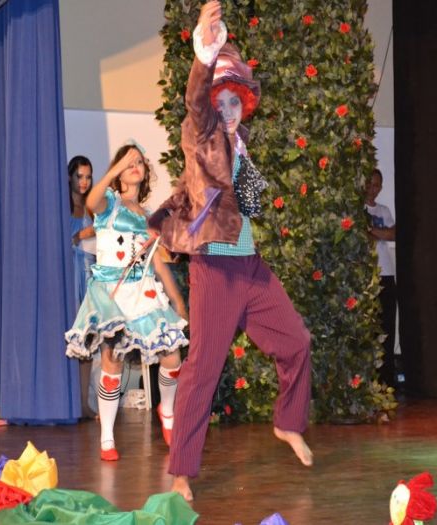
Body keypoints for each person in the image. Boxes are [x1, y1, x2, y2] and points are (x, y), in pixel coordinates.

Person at [148, 1, 313, 501]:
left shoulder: (241, 145)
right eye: (220, 100)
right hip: (216, 267)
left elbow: (250, 206)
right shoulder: (202, 135)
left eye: (234, 101)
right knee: (203, 369)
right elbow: (196, 101)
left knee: (296, 342)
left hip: (251, 268)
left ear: (244, 104)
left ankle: (287, 423)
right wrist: (206, 50)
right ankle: (181, 473)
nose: (227, 108)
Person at [65, 142, 188, 461]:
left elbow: (157, 262)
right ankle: (107, 437)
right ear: (118, 171)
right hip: (111, 291)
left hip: (142, 291)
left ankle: (168, 411)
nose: (134, 166)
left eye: (139, 163)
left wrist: (177, 299)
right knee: (112, 357)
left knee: (172, 355)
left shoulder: (148, 217)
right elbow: (90, 201)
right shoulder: (108, 201)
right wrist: (116, 168)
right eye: (128, 162)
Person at [68, 155, 98, 419]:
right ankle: (64, 402)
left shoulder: (93, 207)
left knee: (87, 340)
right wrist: (78, 236)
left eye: (88, 176)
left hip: (89, 276)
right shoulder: (62, 206)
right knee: (68, 338)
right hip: (68, 275)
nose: (84, 182)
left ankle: (82, 403)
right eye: (80, 176)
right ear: (70, 177)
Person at [365, 168, 397, 388]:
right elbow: (361, 234)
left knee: (387, 328)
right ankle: (368, 380)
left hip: (387, 275)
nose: (372, 189)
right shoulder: (357, 209)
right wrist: (378, 232)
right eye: (369, 183)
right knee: (368, 329)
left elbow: (393, 234)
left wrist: (371, 230)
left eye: (376, 185)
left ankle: (386, 380)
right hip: (367, 277)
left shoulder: (384, 210)